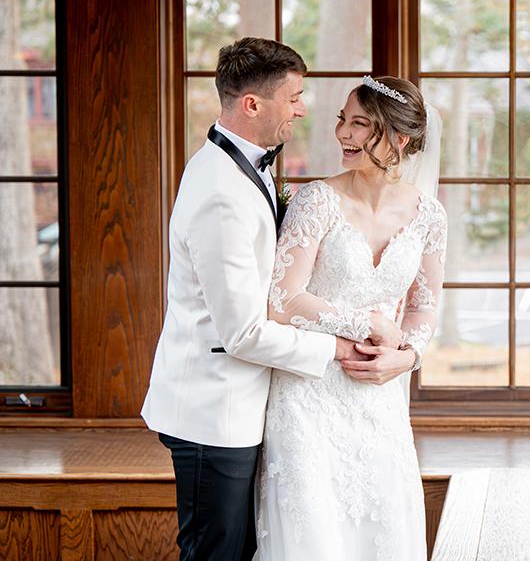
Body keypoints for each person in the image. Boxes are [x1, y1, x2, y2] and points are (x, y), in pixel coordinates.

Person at [142, 37, 368, 560]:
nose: (301, 109)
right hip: (214, 410)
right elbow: (242, 333)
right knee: (217, 554)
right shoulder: (221, 191)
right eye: (293, 98)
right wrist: (336, 348)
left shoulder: (241, 166)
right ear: (252, 104)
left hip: (239, 404)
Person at [254, 74, 446, 561]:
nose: (343, 132)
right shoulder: (316, 200)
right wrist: (368, 326)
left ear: (399, 138)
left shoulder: (429, 215)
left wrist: (408, 358)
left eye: (359, 124)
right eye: (343, 120)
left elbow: (424, 306)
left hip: (380, 400)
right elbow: (282, 300)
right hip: (308, 397)